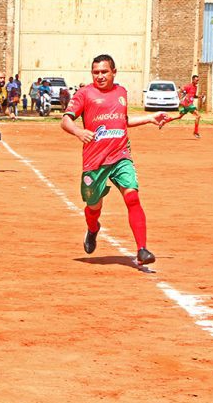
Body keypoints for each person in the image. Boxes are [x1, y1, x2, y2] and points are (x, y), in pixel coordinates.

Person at [61, 54, 167, 266]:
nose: (100, 76)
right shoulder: (84, 94)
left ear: (114, 72)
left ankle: (142, 249)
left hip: (120, 155)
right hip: (95, 161)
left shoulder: (122, 92)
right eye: (96, 72)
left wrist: (149, 118)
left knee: (132, 197)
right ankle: (93, 229)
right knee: (93, 206)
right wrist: (78, 132)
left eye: (104, 72)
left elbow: (122, 121)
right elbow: (65, 120)